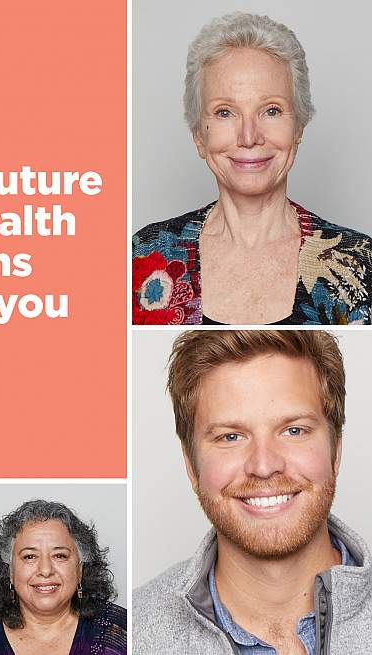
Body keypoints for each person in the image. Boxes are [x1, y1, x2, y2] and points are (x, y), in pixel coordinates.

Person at [134, 330, 372, 654]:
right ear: (191, 465)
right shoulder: (132, 634)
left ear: (336, 451)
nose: (263, 465)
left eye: (294, 430)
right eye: (231, 437)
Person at [132, 12, 372, 325]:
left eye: (271, 110)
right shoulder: (142, 257)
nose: (249, 137)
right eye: (224, 112)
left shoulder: (361, 263)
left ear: (298, 127)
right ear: (198, 135)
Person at [0, 500, 126, 655]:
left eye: (60, 555)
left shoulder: (124, 633)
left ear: (80, 568)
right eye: (29, 557)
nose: (45, 570)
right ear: (10, 572)